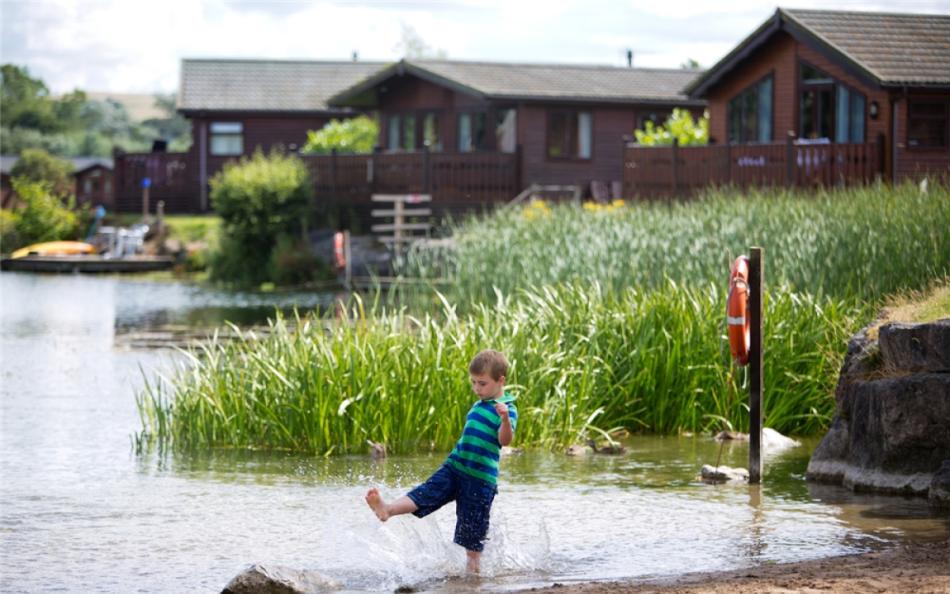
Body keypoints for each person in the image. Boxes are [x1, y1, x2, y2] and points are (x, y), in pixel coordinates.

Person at [365, 349, 518, 574]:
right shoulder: (478, 406)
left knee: (472, 537)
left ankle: (473, 575)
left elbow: (504, 440)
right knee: (425, 493)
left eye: (482, 383)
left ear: (500, 380)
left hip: (479, 481)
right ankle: (387, 509)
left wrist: (504, 418)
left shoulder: (507, 409)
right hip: (455, 467)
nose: (477, 388)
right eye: (473, 383)